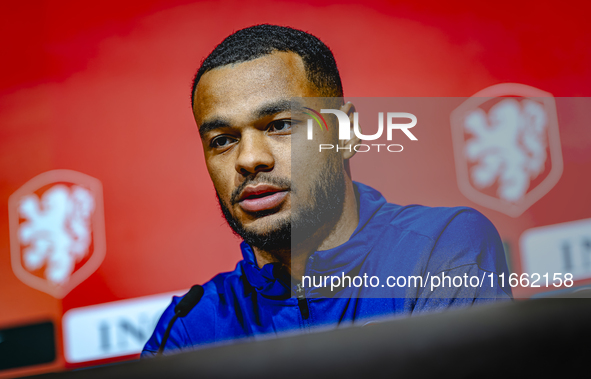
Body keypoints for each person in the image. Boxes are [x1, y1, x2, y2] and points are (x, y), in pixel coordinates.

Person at [142, 24, 511, 357]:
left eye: (280, 125)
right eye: (223, 140)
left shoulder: (439, 250)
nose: (249, 159)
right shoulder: (190, 327)